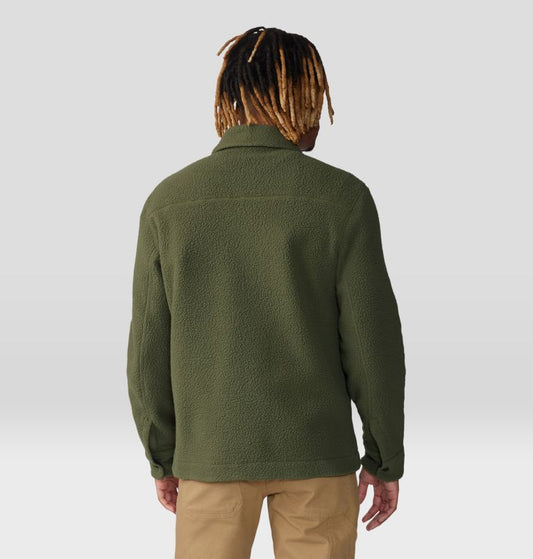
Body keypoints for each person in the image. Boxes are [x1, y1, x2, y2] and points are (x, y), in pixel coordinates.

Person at [126, 25, 406, 559]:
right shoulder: (342, 198)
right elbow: (374, 347)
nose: (320, 112)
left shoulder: (169, 203)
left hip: (211, 458)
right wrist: (384, 455)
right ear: (300, 95)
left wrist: (162, 456)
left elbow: (146, 353)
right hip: (318, 458)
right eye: (315, 95)